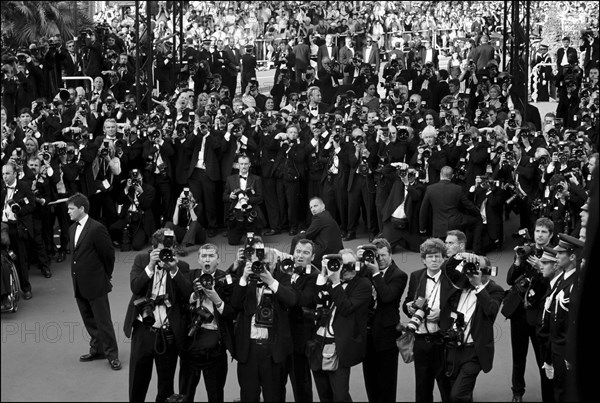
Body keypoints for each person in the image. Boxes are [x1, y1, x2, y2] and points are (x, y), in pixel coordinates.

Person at [123, 228, 193, 401]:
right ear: (154, 249)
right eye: (161, 250)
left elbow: (187, 293)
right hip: (143, 330)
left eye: (169, 249)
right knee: (138, 381)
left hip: (168, 333)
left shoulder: (181, 267)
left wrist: (174, 271)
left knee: (166, 385)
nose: (165, 255)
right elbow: (135, 287)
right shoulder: (141, 260)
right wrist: (150, 267)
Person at [230, 235, 298, 402]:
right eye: (259, 263)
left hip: (273, 352)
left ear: (275, 263)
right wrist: (244, 278)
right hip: (249, 351)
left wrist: (270, 280)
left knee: (275, 397)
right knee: (249, 396)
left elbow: (291, 300)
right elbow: (235, 304)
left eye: (267, 263)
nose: (263, 267)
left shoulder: (281, 279)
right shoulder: (246, 279)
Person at [440, 252, 505, 402]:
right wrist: (462, 255)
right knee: (456, 392)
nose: (471, 271)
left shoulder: (495, 290)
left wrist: (479, 286)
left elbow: (491, 310)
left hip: (474, 351)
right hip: (453, 346)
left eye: (476, 267)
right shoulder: (463, 282)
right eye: (470, 266)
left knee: (457, 395)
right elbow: (448, 269)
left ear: (487, 271)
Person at [67, 193, 121, 371]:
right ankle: (97, 350)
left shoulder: (97, 228)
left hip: (96, 283)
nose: (68, 212)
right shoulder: (72, 229)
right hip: (79, 283)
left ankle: (112, 355)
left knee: (103, 321)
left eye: (71, 208)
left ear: (81, 208)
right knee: (89, 320)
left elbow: (108, 254)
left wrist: (106, 275)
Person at [310, 248, 372, 402]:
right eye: (342, 265)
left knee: (340, 395)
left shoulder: (363, 284)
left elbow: (346, 308)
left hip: (340, 345)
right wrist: (324, 274)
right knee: (324, 393)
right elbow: (317, 299)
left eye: (351, 264)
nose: (347, 268)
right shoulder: (331, 280)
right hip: (319, 342)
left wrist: (336, 282)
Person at [504, 218, 555, 403]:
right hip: (519, 312)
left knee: (543, 360)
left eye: (544, 232)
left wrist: (541, 268)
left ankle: (548, 396)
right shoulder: (526, 250)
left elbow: (553, 286)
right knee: (518, 357)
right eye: (537, 231)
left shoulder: (555, 254)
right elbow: (510, 280)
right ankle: (517, 392)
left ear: (550, 235)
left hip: (539, 315)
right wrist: (518, 261)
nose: (539, 235)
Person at [179, 243, 238, 402]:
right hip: (191, 341)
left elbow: (233, 313)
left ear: (218, 260)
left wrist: (217, 300)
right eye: (203, 256)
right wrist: (194, 295)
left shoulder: (227, 280)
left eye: (211, 256)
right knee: (185, 393)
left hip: (215, 345)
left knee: (216, 393)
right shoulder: (189, 277)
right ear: (198, 260)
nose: (207, 259)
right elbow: (179, 306)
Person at [403, 238, 454, 402]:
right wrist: (409, 308)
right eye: (430, 257)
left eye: (437, 256)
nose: (434, 260)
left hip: (443, 340)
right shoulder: (416, 276)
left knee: (447, 388)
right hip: (421, 341)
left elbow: (459, 307)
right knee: (422, 389)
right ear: (423, 260)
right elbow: (408, 301)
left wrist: (442, 314)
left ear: (443, 258)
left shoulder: (451, 278)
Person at [360, 238, 408, 403]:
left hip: (387, 337)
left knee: (387, 383)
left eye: (383, 255)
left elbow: (387, 296)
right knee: (370, 382)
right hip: (367, 334)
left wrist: (375, 273)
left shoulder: (399, 275)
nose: (379, 259)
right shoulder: (365, 271)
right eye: (376, 256)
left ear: (390, 254)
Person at [539, 233, 584, 402]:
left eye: (560, 253)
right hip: (556, 347)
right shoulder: (562, 280)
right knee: (558, 391)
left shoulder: (575, 283)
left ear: (572, 257)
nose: (556, 256)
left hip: (566, 350)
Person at [284, 239, 320, 402]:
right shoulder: (285, 269)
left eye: (305, 253)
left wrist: (289, 282)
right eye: (298, 251)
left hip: (301, 336)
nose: (300, 255)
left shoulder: (315, 276)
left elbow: (303, 300)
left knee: (300, 379)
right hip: (282, 332)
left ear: (312, 257)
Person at [419, 166, 481, 241]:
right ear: (452, 176)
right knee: (478, 221)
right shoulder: (457, 189)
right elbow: (468, 205)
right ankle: (475, 246)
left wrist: (422, 228)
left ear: (440, 174)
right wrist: (479, 214)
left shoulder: (430, 189)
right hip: (455, 224)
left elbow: (423, 210)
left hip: (438, 227)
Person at [2, 161, 35, 300]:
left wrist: (19, 210)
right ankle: (6, 292)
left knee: (20, 259)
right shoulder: (1, 187)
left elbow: (32, 205)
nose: (5, 176)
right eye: (3, 174)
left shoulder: (24, 186)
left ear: (15, 174)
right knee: (3, 260)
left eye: (7, 173)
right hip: (3, 227)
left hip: (17, 227)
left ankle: (26, 288)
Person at [291, 197, 343, 269]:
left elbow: (308, 235)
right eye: (311, 207)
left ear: (323, 206)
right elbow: (313, 231)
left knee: (296, 239)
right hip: (336, 250)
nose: (313, 209)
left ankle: (292, 263)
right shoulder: (326, 215)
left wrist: (302, 233)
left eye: (315, 206)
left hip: (325, 251)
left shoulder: (319, 217)